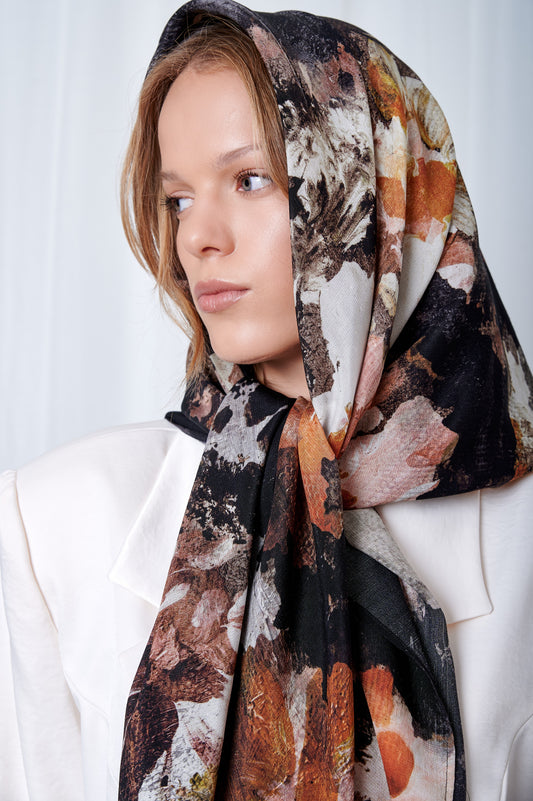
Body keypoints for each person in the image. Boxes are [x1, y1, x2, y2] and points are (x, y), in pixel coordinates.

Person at [1, 1, 532, 799]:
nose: (196, 237)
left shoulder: (523, 530)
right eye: (178, 197)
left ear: (377, 202)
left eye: (249, 180)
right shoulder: (52, 518)